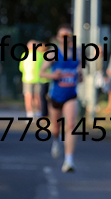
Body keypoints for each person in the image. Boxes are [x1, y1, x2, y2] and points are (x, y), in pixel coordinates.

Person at [40, 24, 83, 173]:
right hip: (56, 96)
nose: (66, 38)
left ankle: (69, 160)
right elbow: (41, 73)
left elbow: (81, 75)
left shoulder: (77, 53)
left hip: (71, 94)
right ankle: (55, 140)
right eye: (63, 36)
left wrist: (80, 75)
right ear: (58, 38)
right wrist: (53, 75)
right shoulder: (53, 53)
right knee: (56, 127)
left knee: (71, 124)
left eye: (68, 36)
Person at [20, 40, 47, 118]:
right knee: (37, 97)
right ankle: (38, 113)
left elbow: (21, 68)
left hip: (27, 79)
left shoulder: (24, 54)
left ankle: (29, 113)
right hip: (39, 79)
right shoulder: (40, 55)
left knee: (28, 96)